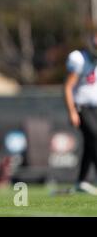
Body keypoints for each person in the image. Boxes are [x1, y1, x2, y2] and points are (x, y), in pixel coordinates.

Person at [64, 28, 97, 195]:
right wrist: (72, 111)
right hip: (81, 106)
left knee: (90, 143)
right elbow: (68, 87)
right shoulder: (79, 59)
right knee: (95, 137)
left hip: (94, 107)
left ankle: (82, 181)